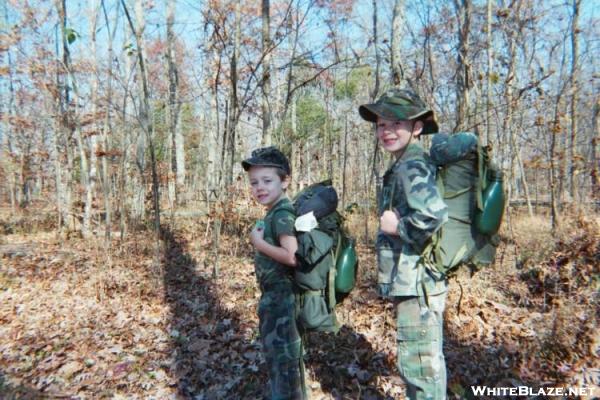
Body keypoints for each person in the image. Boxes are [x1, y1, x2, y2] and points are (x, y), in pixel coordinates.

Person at [358, 89, 449, 400]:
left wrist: (398, 226)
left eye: (396, 123)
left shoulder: (412, 164)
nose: (386, 131)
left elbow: (433, 215)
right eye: (381, 125)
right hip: (413, 281)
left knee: (420, 368)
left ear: (417, 128)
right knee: (419, 364)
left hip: (419, 283)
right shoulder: (403, 163)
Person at [241, 147, 306, 400]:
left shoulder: (281, 213)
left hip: (282, 303)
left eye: (267, 181)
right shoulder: (275, 211)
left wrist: (259, 244)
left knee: (285, 370)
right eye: (254, 182)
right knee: (283, 368)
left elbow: (291, 255)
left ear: (285, 180)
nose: (260, 187)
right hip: (276, 301)